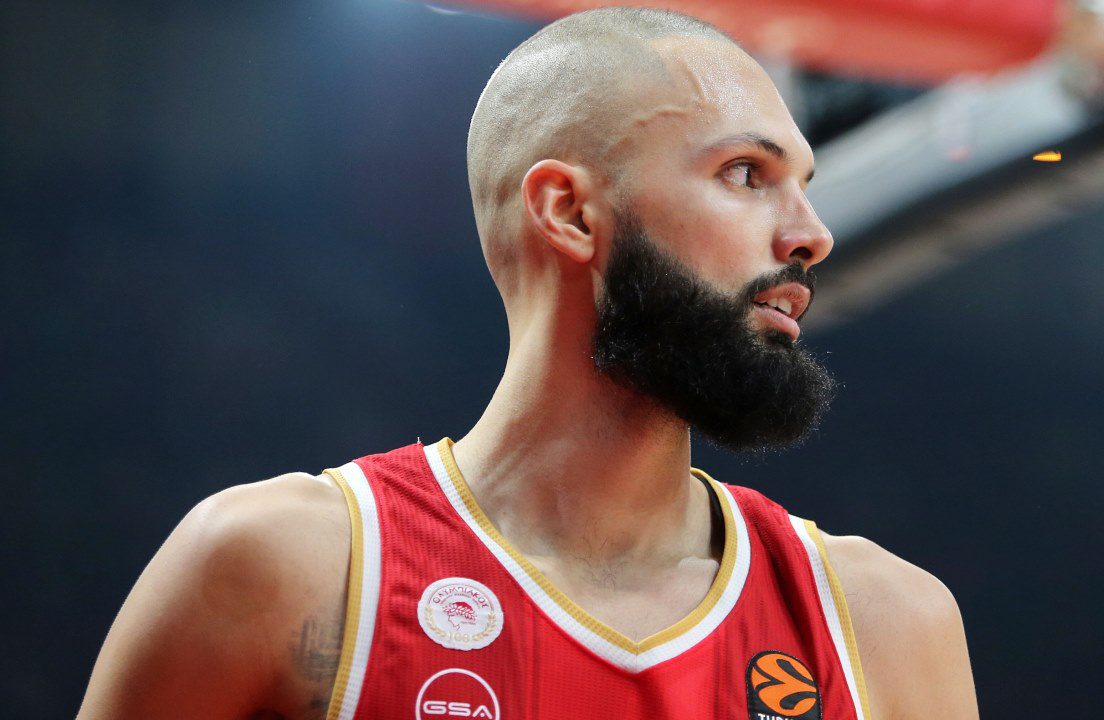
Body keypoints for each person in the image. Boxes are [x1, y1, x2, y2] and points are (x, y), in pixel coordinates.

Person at [79, 8, 977, 719]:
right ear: (570, 213)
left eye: (804, 186)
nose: (812, 235)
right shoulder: (284, 569)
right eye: (746, 174)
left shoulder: (883, 621)